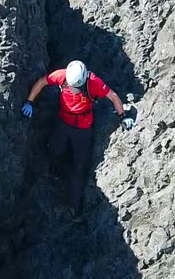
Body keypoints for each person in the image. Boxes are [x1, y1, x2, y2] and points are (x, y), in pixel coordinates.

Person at [21, 60, 136, 211]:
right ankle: (56, 172)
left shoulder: (93, 82)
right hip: (64, 121)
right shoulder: (62, 76)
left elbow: (113, 96)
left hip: (83, 127)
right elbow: (42, 82)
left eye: (77, 87)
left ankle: (73, 203)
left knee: (80, 163)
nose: (74, 89)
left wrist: (123, 116)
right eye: (71, 86)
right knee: (55, 148)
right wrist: (29, 102)